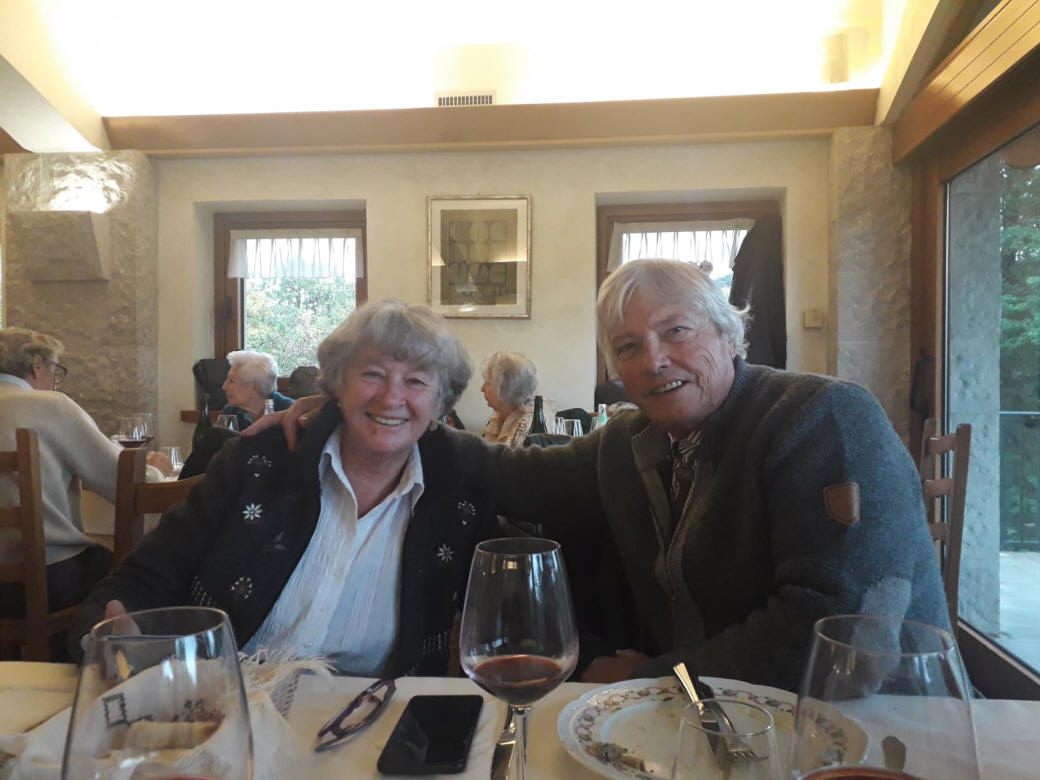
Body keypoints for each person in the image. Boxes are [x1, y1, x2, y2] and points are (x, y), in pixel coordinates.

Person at [269, 260, 948, 690]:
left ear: (728, 335)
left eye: (676, 331)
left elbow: (843, 641)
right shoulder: (629, 442)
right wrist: (370, 413)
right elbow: (504, 474)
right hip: (710, 721)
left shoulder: (821, 418)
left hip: (887, 730)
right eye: (628, 347)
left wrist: (651, 679)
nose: (653, 359)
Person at [72, 301, 501, 676]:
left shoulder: (458, 498)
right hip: (220, 702)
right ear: (337, 387)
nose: (391, 397)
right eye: (372, 374)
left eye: (417, 381)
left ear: (441, 405)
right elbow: (137, 583)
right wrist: (111, 641)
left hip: (371, 719)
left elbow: (504, 618)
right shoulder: (255, 463)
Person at [0, 328, 169, 623]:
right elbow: (122, 480)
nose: (55, 381)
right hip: (44, 580)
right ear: (37, 364)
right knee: (146, 573)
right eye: (56, 370)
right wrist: (157, 472)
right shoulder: (50, 406)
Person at [221, 350, 293, 431]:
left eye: (231, 381)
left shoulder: (289, 410)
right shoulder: (230, 411)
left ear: (254, 387)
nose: (224, 387)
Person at [480, 351, 540, 447]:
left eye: (488, 383)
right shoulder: (497, 418)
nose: (482, 389)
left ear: (507, 388)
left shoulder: (530, 427)